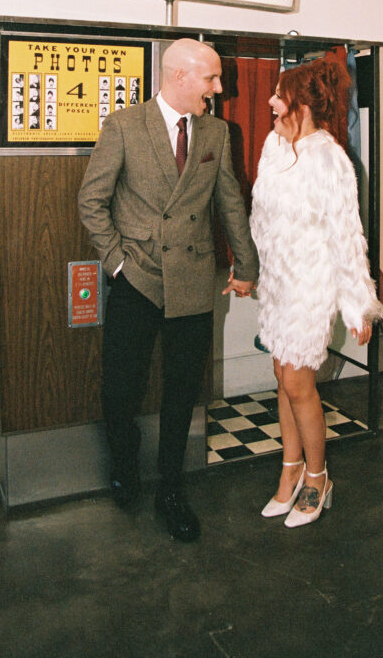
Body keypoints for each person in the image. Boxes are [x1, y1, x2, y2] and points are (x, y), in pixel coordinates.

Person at [78, 38, 258, 542]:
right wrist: (116, 263)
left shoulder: (217, 133)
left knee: (182, 393)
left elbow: (230, 204)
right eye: (211, 79)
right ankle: (124, 464)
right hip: (135, 279)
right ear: (179, 76)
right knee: (121, 388)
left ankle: (171, 491)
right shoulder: (125, 126)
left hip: (193, 281)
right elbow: (91, 201)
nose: (219, 89)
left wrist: (245, 265)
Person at [250, 57, 383, 529]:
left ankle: (317, 477)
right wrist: (255, 273)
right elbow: (260, 219)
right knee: (282, 379)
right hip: (278, 284)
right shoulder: (274, 146)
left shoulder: (331, 160)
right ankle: (288, 472)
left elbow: (347, 238)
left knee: (300, 385)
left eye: (279, 94)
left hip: (311, 286)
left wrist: (356, 305)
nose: (270, 101)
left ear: (301, 103)